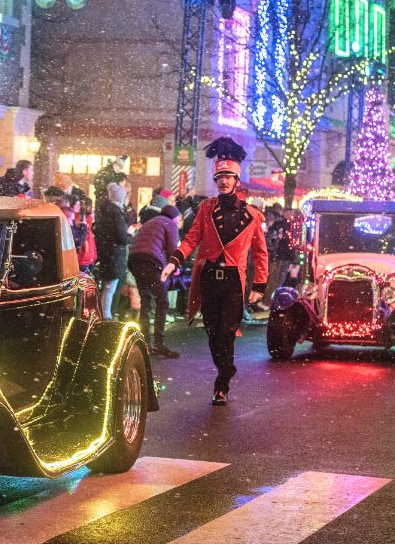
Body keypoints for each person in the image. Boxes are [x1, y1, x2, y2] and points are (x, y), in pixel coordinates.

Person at [161, 138, 267, 406]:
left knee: (227, 332)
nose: (222, 181)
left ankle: (222, 383)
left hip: (233, 280)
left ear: (236, 181)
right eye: (219, 177)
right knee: (211, 331)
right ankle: (225, 368)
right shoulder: (206, 209)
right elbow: (191, 239)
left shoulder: (253, 216)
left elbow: (261, 253)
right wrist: (174, 260)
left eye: (228, 177)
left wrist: (259, 286)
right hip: (209, 278)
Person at [130, 204, 181, 358]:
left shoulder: (151, 222)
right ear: (174, 217)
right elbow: (172, 250)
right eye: (178, 219)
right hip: (150, 262)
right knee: (162, 302)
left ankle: (145, 343)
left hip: (134, 261)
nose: (178, 222)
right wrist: (175, 266)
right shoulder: (170, 223)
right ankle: (159, 343)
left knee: (146, 301)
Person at [94, 181, 134, 319]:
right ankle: (106, 315)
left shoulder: (105, 212)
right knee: (111, 287)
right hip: (115, 255)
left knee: (107, 286)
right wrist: (131, 236)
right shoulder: (117, 214)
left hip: (107, 254)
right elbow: (122, 236)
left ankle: (104, 313)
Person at [265, 208, 297, 293]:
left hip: (284, 256)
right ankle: (269, 300)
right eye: (291, 213)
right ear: (286, 213)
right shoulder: (280, 224)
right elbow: (272, 239)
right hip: (280, 256)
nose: (292, 215)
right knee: (275, 279)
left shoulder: (289, 225)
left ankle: (271, 299)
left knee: (278, 280)